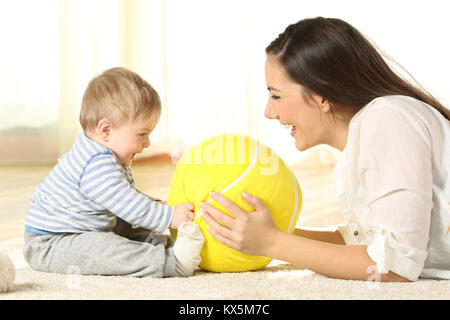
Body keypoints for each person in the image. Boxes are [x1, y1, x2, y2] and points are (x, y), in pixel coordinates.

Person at [200, 17, 450, 282]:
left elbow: (393, 267)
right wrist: (258, 233)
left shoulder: (388, 119)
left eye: (276, 95)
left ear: (321, 95)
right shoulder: (374, 129)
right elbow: (364, 243)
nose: (268, 112)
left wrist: (272, 243)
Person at [23, 67, 204, 278]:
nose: (147, 143)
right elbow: (127, 203)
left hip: (87, 229)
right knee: (108, 249)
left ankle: (167, 246)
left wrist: (159, 206)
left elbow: (123, 198)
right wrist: (168, 215)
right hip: (50, 243)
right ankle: (173, 263)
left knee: (127, 231)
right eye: (143, 134)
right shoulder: (93, 163)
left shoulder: (101, 153)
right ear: (106, 130)